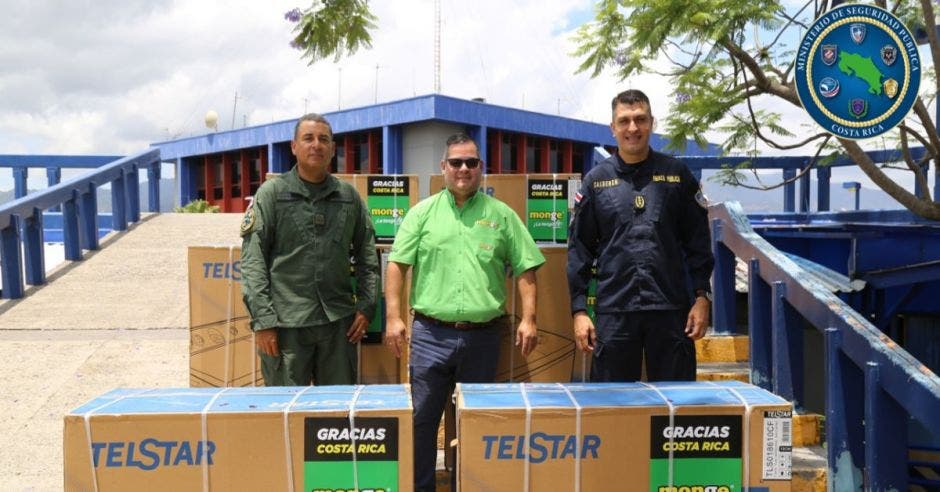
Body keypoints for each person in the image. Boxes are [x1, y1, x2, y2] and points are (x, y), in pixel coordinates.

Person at [384, 132, 545, 491]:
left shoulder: (501, 216)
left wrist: (530, 319)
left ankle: (468, 486)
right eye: (456, 162)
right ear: (443, 167)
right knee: (422, 421)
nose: (463, 169)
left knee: (476, 420)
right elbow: (396, 265)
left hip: (484, 338)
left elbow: (526, 268)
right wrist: (394, 318)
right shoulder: (421, 214)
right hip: (430, 336)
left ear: (481, 168)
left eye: (471, 162)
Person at [567, 89, 714, 382]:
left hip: (671, 311)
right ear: (613, 128)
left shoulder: (677, 175)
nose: (632, 128)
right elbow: (579, 250)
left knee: (676, 407)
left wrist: (702, 297)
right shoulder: (596, 181)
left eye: (640, 119)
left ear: (652, 123)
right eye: (624, 121)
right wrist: (579, 311)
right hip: (615, 312)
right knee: (611, 406)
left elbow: (698, 242)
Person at [240, 113, 379, 386]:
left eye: (323, 139)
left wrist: (366, 306)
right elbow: (253, 261)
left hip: (338, 326)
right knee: (287, 414)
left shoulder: (348, 197)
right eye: (308, 138)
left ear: (332, 148)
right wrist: (263, 321)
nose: (316, 145)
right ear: (294, 147)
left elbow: (367, 255)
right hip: (285, 326)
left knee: (337, 413)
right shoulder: (271, 194)